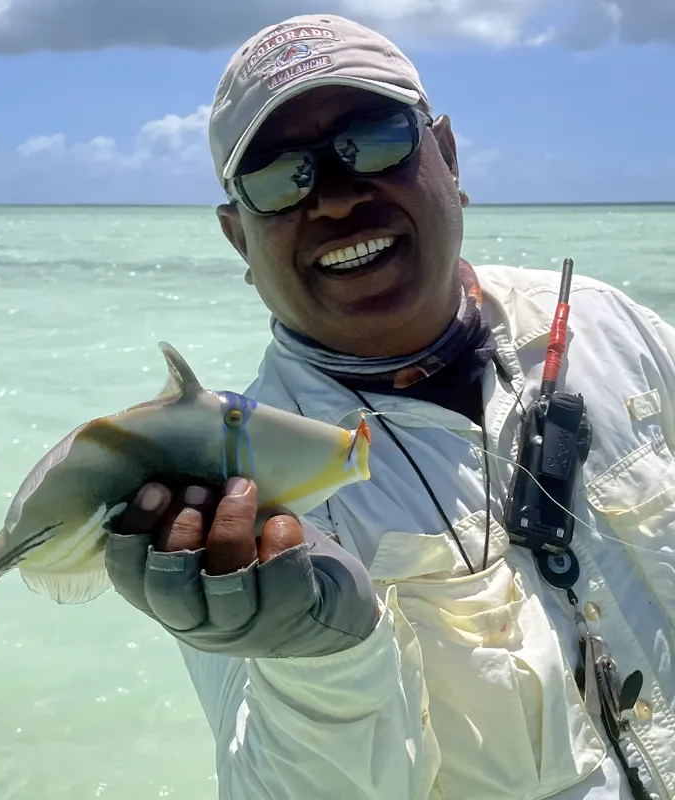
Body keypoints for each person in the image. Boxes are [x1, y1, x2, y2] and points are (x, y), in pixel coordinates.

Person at [105, 13, 675, 800]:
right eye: (279, 177)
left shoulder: (606, 324)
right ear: (240, 239)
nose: (336, 200)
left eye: (371, 140)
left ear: (445, 154)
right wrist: (323, 665)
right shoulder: (239, 487)